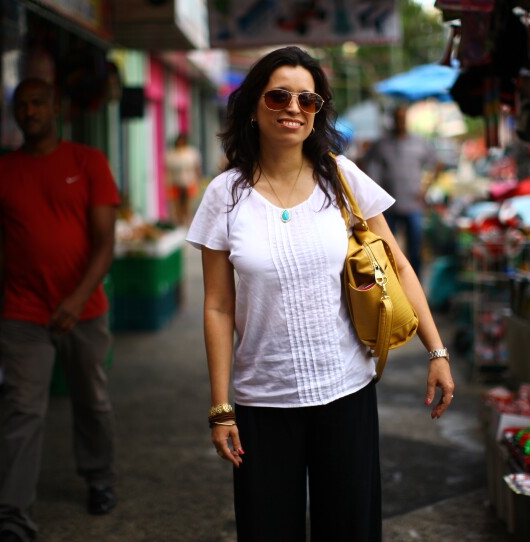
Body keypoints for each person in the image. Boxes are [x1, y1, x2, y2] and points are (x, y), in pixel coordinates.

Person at [186, 46, 455, 542]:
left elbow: (398, 264)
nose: (293, 107)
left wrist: (435, 350)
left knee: (350, 529)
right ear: (252, 106)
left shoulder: (343, 179)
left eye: (307, 100)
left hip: (345, 392)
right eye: (279, 96)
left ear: (317, 113)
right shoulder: (224, 195)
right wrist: (221, 406)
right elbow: (218, 307)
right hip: (261, 402)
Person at [0, 78, 120, 542]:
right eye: (22, 105)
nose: (30, 111)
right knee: (23, 412)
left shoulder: (88, 162)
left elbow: (105, 244)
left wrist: (77, 299)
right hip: (23, 312)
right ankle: (14, 517)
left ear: (55, 108)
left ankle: (99, 477)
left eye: (39, 102)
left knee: (92, 401)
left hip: (85, 307)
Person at [361, 105, 440, 276]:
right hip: (389, 206)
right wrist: (372, 188)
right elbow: (363, 161)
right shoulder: (382, 143)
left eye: (403, 118)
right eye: (397, 118)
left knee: (415, 250)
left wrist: (426, 188)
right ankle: (393, 284)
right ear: (393, 120)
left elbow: (436, 164)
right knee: (387, 249)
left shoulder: (419, 143)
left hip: (413, 204)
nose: (400, 122)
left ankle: (416, 283)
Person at [165, 132, 203, 226]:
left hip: (189, 182)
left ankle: (187, 222)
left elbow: (196, 168)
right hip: (176, 182)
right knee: (177, 205)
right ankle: (179, 222)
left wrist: (198, 180)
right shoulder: (171, 155)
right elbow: (168, 170)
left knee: (188, 204)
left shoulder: (191, 153)